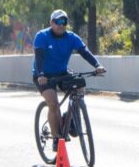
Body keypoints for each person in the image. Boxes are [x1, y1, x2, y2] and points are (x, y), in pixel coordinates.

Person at [32, 9, 106, 151]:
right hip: (43, 75)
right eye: (58, 22)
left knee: (79, 86)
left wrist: (97, 65)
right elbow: (39, 57)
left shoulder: (71, 37)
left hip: (61, 71)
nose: (61, 25)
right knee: (53, 103)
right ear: (51, 23)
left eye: (64, 22)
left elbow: (85, 52)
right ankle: (56, 138)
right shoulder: (42, 36)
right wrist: (41, 74)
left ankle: (70, 116)